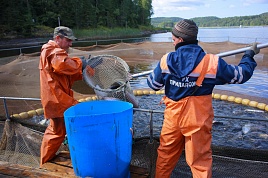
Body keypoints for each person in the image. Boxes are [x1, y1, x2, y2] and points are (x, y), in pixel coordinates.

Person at [147, 19, 259, 178]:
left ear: (180, 40)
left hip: (172, 120)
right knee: (199, 162)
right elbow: (241, 75)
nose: (173, 43)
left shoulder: (166, 61)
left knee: (165, 156)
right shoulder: (212, 62)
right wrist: (249, 55)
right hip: (197, 121)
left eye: (173, 40)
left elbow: (153, 84)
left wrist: (166, 75)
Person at [39, 26, 91, 167]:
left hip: (57, 99)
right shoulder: (53, 51)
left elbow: (65, 74)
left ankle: (45, 161)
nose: (70, 44)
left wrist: (84, 70)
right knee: (82, 119)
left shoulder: (55, 52)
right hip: (57, 100)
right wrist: (81, 63)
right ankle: (46, 163)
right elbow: (62, 65)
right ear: (58, 38)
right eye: (68, 40)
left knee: (57, 131)